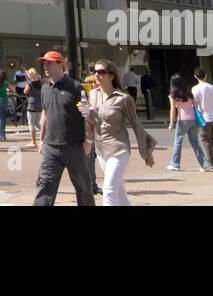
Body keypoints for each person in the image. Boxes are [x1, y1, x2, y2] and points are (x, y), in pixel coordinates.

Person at [89, 59, 155, 205]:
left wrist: (146, 151)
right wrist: (86, 113)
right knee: (118, 190)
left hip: (119, 148)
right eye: (95, 72)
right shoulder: (93, 94)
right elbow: (93, 121)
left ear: (111, 76)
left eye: (101, 72)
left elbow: (136, 124)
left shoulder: (124, 99)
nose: (96, 75)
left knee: (108, 188)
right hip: (101, 149)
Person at [33, 51, 95, 205]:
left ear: (61, 65)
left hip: (74, 146)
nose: (46, 66)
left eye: (50, 63)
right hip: (50, 147)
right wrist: (41, 140)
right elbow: (45, 114)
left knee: (82, 187)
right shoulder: (45, 88)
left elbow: (86, 115)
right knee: (45, 185)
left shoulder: (75, 87)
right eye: (44, 63)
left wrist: (88, 140)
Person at [167, 73, 208, 171]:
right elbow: (195, 105)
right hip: (193, 119)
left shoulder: (173, 95)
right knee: (195, 142)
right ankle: (205, 164)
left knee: (178, 142)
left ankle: (175, 163)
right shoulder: (189, 94)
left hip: (182, 120)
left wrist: (171, 123)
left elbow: (173, 110)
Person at [24, 67, 43, 150]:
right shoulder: (39, 83)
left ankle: (33, 141)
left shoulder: (30, 83)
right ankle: (44, 137)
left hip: (31, 104)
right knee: (38, 123)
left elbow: (25, 91)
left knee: (31, 123)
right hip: (39, 104)